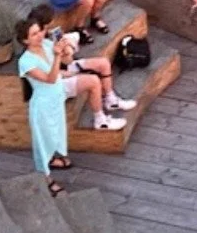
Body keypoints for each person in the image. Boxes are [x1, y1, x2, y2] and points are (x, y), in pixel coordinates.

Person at [15, 18, 127, 197]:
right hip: (43, 105)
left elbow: (62, 67)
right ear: (25, 40)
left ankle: (55, 159)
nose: (39, 36)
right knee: (43, 142)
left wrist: (67, 51)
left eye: (39, 31)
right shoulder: (26, 62)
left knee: (56, 134)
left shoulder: (45, 44)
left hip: (56, 98)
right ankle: (46, 178)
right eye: (34, 34)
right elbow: (49, 78)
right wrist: (58, 56)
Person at [27, 4, 136, 112]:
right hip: (57, 77)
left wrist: (67, 48)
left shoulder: (52, 36)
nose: (53, 22)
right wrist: (75, 73)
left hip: (66, 66)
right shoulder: (34, 50)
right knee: (93, 80)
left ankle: (111, 100)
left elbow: (68, 61)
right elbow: (51, 74)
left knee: (103, 63)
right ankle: (101, 120)